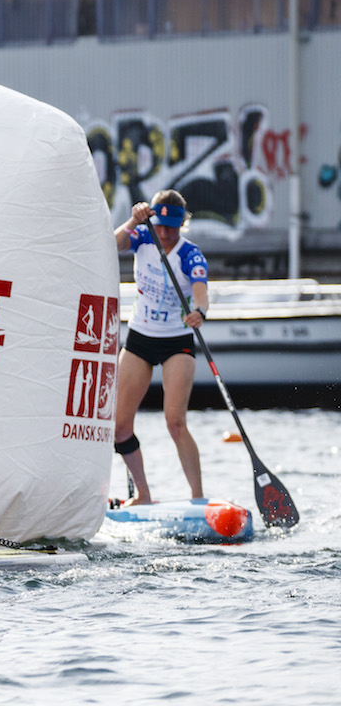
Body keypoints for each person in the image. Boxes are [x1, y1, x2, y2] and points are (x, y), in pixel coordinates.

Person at [113, 190, 209, 506]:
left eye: (172, 226)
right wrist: (133, 219)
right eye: (161, 225)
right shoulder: (142, 236)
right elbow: (111, 245)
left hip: (176, 341)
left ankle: (197, 499)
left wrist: (200, 311)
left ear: (182, 223)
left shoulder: (190, 254)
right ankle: (143, 494)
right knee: (119, 427)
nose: (165, 233)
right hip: (141, 336)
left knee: (174, 421)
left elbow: (200, 293)